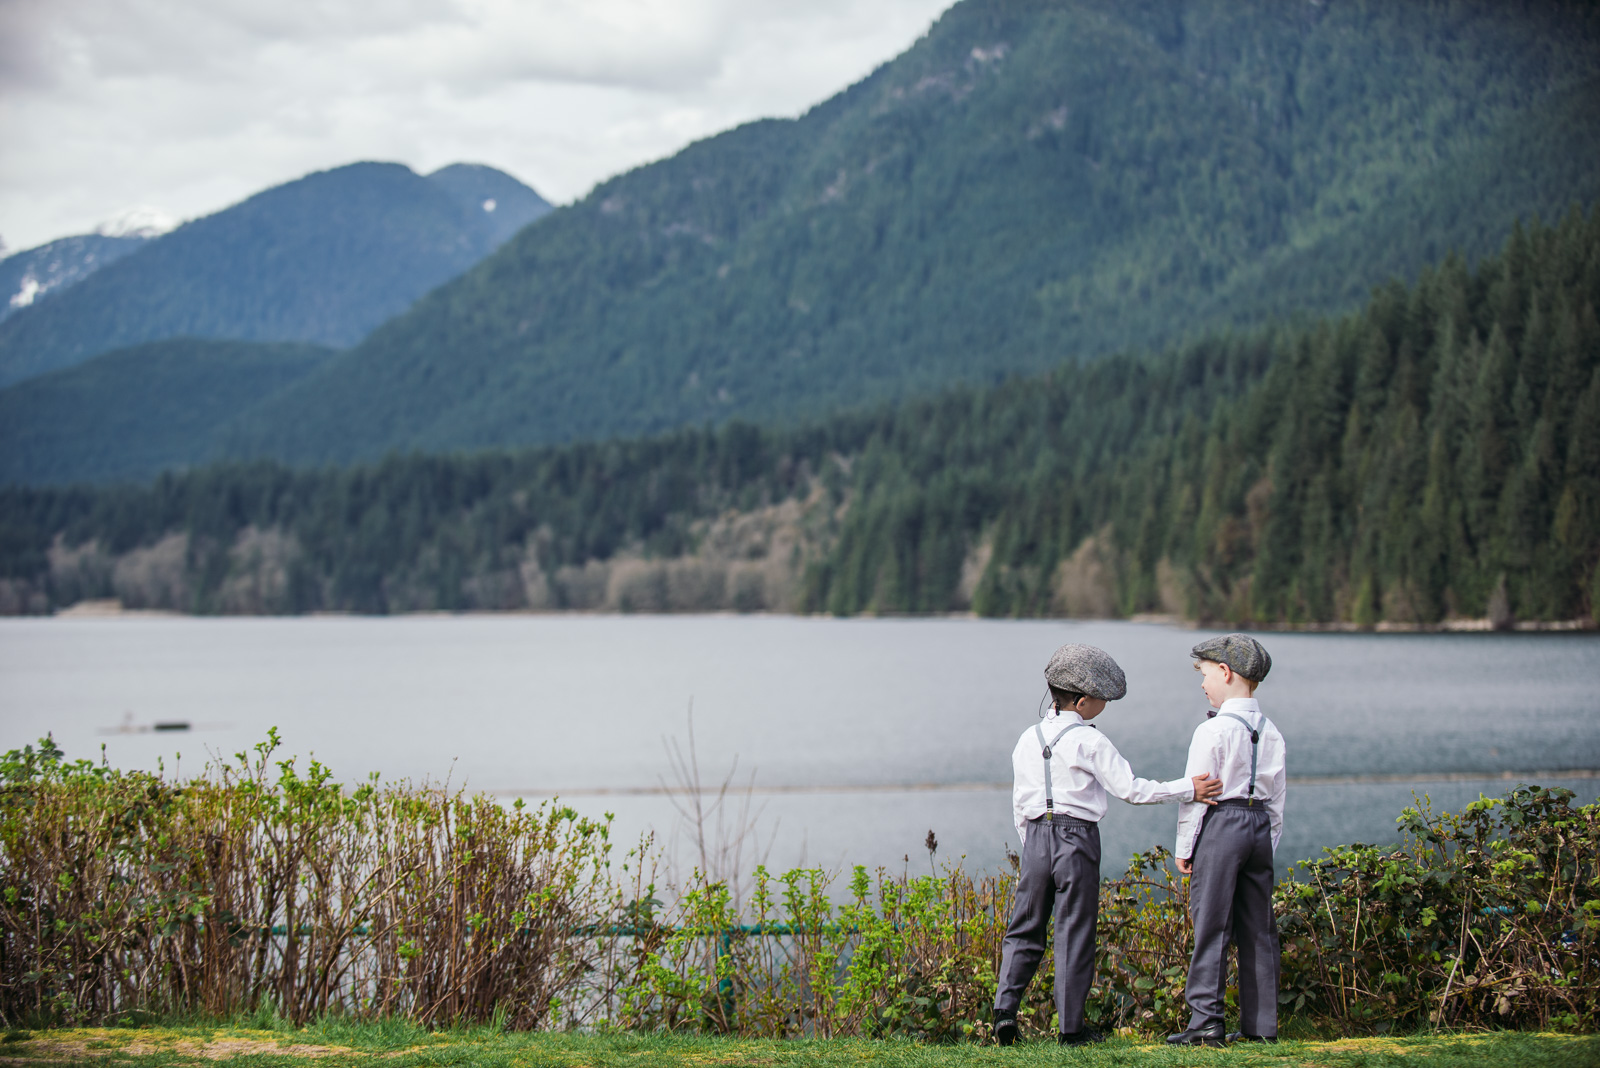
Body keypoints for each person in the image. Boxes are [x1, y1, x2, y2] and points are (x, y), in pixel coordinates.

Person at [993, 643, 1222, 1047]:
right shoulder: (1091, 742)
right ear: (1081, 701)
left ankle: (1004, 1012)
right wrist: (1189, 788)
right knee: (1073, 931)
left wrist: (1032, 844)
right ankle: (1070, 1030)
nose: (1104, 706)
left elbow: (1018, 803)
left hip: (1034, 837)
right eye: (1101, 699)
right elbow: (1131, 790)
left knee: (1024, 927)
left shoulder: (1027, 739)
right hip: (1076, 838)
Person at [1167, 633, 1287, 1047]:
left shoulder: (1213, 731)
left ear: (1225, 671)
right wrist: (1268, 842)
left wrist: (1185, 848)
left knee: (1212, 923)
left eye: (1204, 674)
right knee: (1259, 928)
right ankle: (1261, 1026)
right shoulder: (1272, 731)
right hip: (1258, 826)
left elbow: (1196, 793)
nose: (1202, 684)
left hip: (1222, 823)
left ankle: (1206, 1022)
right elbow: (1278, 799)